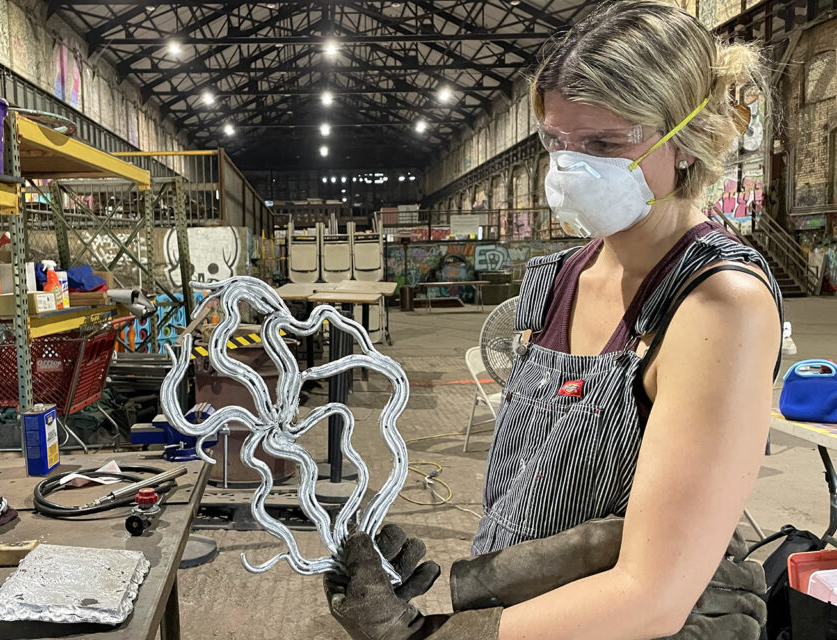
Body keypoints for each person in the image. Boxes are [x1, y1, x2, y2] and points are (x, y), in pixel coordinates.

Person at [324, 1, 783, 638]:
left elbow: (651, 593)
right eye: (556, 142)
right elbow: (542, 500)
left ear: (688, 141)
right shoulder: (557, 278)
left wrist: (432, 636)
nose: (571, 167)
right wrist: (469, 585)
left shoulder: (716, 304)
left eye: (604, 144)